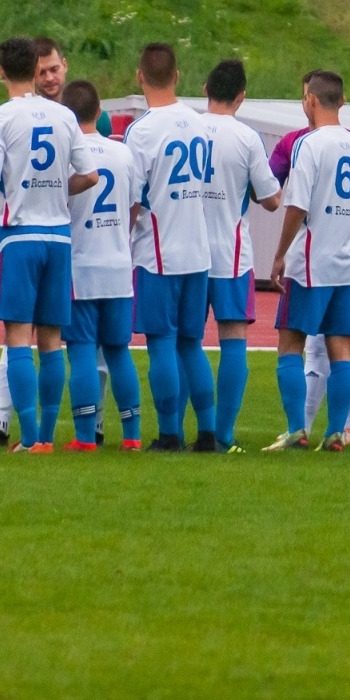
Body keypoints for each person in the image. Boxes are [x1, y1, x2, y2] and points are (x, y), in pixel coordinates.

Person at [0, 38, 96, 453]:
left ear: (1, 71)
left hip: (19, 236)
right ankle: (47, 438)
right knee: (52, 341)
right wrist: (57, 189)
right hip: (58, 236)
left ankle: (29, 435)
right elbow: (89, 176)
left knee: (18, 338)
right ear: (35, 69)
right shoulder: (64, 116)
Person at [266, 70, 350, 452]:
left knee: (290, 342)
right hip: (347, 258)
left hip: (312, 260)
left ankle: (297, 429)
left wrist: (279, 254)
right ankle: (337, 432)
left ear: (310, 99)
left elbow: (297, 204)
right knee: (340, 346)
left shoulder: (308, 145)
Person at [123, 43, 219, 452]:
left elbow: (133, 196)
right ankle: (209, 433)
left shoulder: (142, 130)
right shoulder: (201, 123)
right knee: (192, 344)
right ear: (177, 76)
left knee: (161, 342)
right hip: (198, 249)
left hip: (159, 250)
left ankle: (168, 434)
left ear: (140, 77)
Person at [199, 59, 282, 452]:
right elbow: (270, 200)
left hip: (186, 253)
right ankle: (223, 434)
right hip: (230, 255)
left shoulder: (186, 127)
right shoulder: (247, 138)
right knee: (233, 339)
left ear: (204, 90)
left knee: (185, 343)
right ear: (242, 97)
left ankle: (188, 430)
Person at [59, 80, 144, 452]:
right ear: (99, 113)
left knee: (79, 350)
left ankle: (83, 436)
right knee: (118, 350)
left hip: (81, 266)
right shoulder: (123, 154)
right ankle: (133, 435)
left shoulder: (67, 155)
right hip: (117, 264)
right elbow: (134, 207)